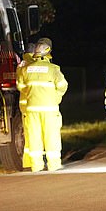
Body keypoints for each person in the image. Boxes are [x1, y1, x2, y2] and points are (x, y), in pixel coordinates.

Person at [16, 37, 68, 172]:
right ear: (49, 52)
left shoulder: (25, 69)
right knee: (52, 136)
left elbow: (21, 86)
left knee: (34, 136)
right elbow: (63, 86)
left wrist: (32, 94)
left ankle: (37, 165)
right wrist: (55, 98)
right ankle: (54, 164)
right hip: (50, 109)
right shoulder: (53, 69)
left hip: (32, 109)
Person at [16, 42, 36, 169]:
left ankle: (28, 162)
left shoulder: (21, 64)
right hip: (34, 101)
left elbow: (20, 84)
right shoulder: (34, 63)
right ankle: (36, 161)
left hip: (24, 103)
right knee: (35, 133)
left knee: (28, 133)